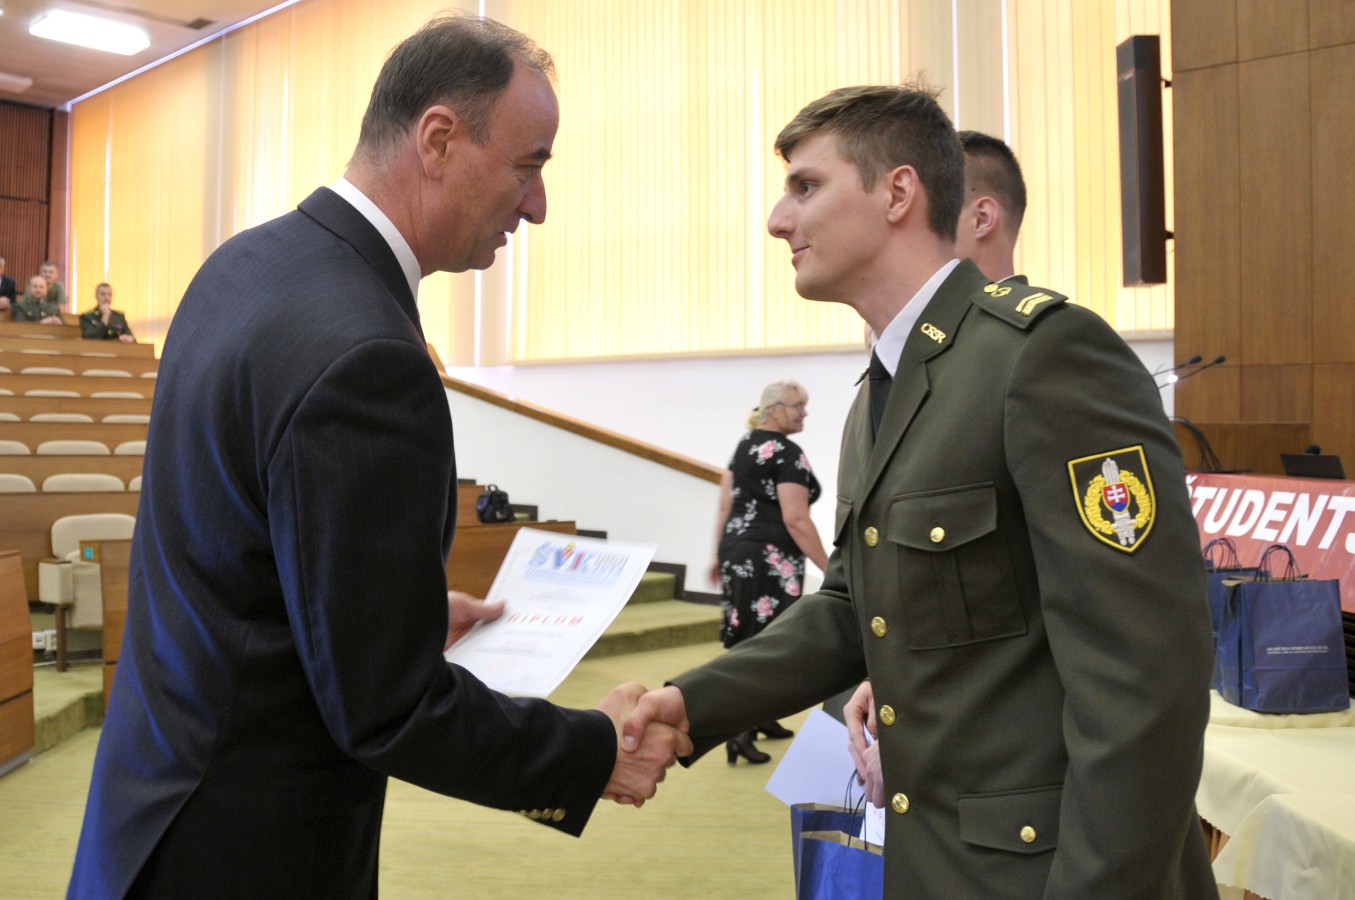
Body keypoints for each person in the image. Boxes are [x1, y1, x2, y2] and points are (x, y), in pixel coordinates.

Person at [68, 16, 689, 898]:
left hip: (148, 814)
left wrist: (386, 612)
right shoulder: (368, 354)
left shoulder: (242, 266)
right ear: (438, 139)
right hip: (247, 852)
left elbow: (231, 556)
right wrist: (592, 751)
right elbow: (387, 708)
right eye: (528, 166)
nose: (537, 205)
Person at [624, 85, 1216, 898]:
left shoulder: (1039, 356)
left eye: (805, 186)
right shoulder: (879, 394)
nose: (776, 220)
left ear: (897, 192)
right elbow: (849, 608)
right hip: (936, 861)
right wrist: (688, 705)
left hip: (1050, 873)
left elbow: (1144, 676)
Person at [845, 129, 1027, 795]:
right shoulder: (890, 373)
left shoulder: (1038, 358)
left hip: (1003, 788)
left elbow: (1092, 645)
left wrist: (920, 730)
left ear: (980, 217)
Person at [710, 379, 828, 763]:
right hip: (769, 560)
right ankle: (740, 734)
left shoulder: (744, 445)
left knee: (752, 640)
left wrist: (718, 555)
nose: (804, 412)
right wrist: (830, 567)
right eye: (798, 405)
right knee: (768, 647)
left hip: (738, 552)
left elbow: (725, 506)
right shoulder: (788, 453)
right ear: (774, 410)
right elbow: (796, 519)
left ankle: (762, 717)